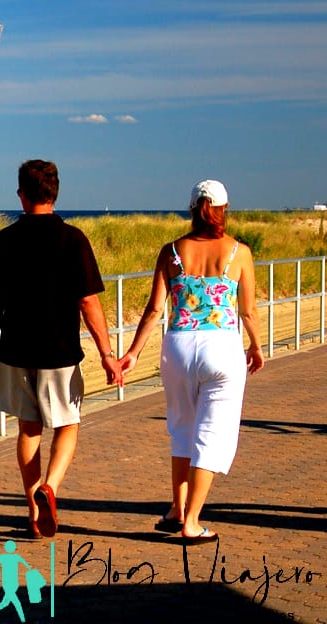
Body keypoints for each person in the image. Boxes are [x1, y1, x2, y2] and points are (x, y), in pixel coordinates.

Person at [0, 159, 120, 539]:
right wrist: (108, 354)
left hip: (13, 351)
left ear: (22, 195)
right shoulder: (73, 239)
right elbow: (89, 302)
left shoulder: (5, 240)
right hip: (59, 352)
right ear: (55, 193)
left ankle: (32, 512)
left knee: (28, 431)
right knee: (67, 425)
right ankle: (51, 488)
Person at [119, 179, 263, 545]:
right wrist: (257, 346)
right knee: (213, 434)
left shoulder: (171, 251)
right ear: (223, 210)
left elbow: (154, 310)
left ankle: (177, 508)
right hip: (221, 346)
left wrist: (133, 353)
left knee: (181, 427)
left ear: (193, 208)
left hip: (178, 345)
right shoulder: (238, 252)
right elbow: (247, 310)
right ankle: (193, 521)